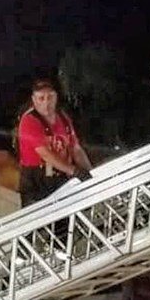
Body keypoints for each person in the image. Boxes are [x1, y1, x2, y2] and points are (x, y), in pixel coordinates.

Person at [16, 79, 93, 208]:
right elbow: (46, 154)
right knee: (43, 222)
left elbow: (76, 149)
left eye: (50, 97)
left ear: (56, 97)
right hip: (37, 182)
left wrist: (91, 172)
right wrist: (74, 171)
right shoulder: (29, 121)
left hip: (59, 177)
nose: (46, 103)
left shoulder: (63, 118)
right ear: (34, 100)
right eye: (41, 98)